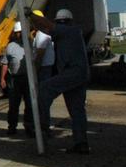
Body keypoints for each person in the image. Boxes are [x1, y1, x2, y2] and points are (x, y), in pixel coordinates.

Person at [33, 8, 91, 154]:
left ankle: (43, 127)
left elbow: (47, 25)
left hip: (73, 72)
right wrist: (33, 21)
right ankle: (81, 143)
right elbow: (45, 28)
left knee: (45, 89)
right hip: (76, 74)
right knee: (76, 110)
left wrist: (30, 14)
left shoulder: (69, 31)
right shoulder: (67, 33)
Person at [2, 23, 29, 135]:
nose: (19, 34)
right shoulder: (10, 46)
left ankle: (30, 127)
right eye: (18, 32)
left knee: (30, 104)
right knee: (13, 105)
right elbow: (5, 63)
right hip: (14, 79)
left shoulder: (30, 44)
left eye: (21, 32)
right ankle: (12, 127)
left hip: (27, 79)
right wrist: (2, 79)